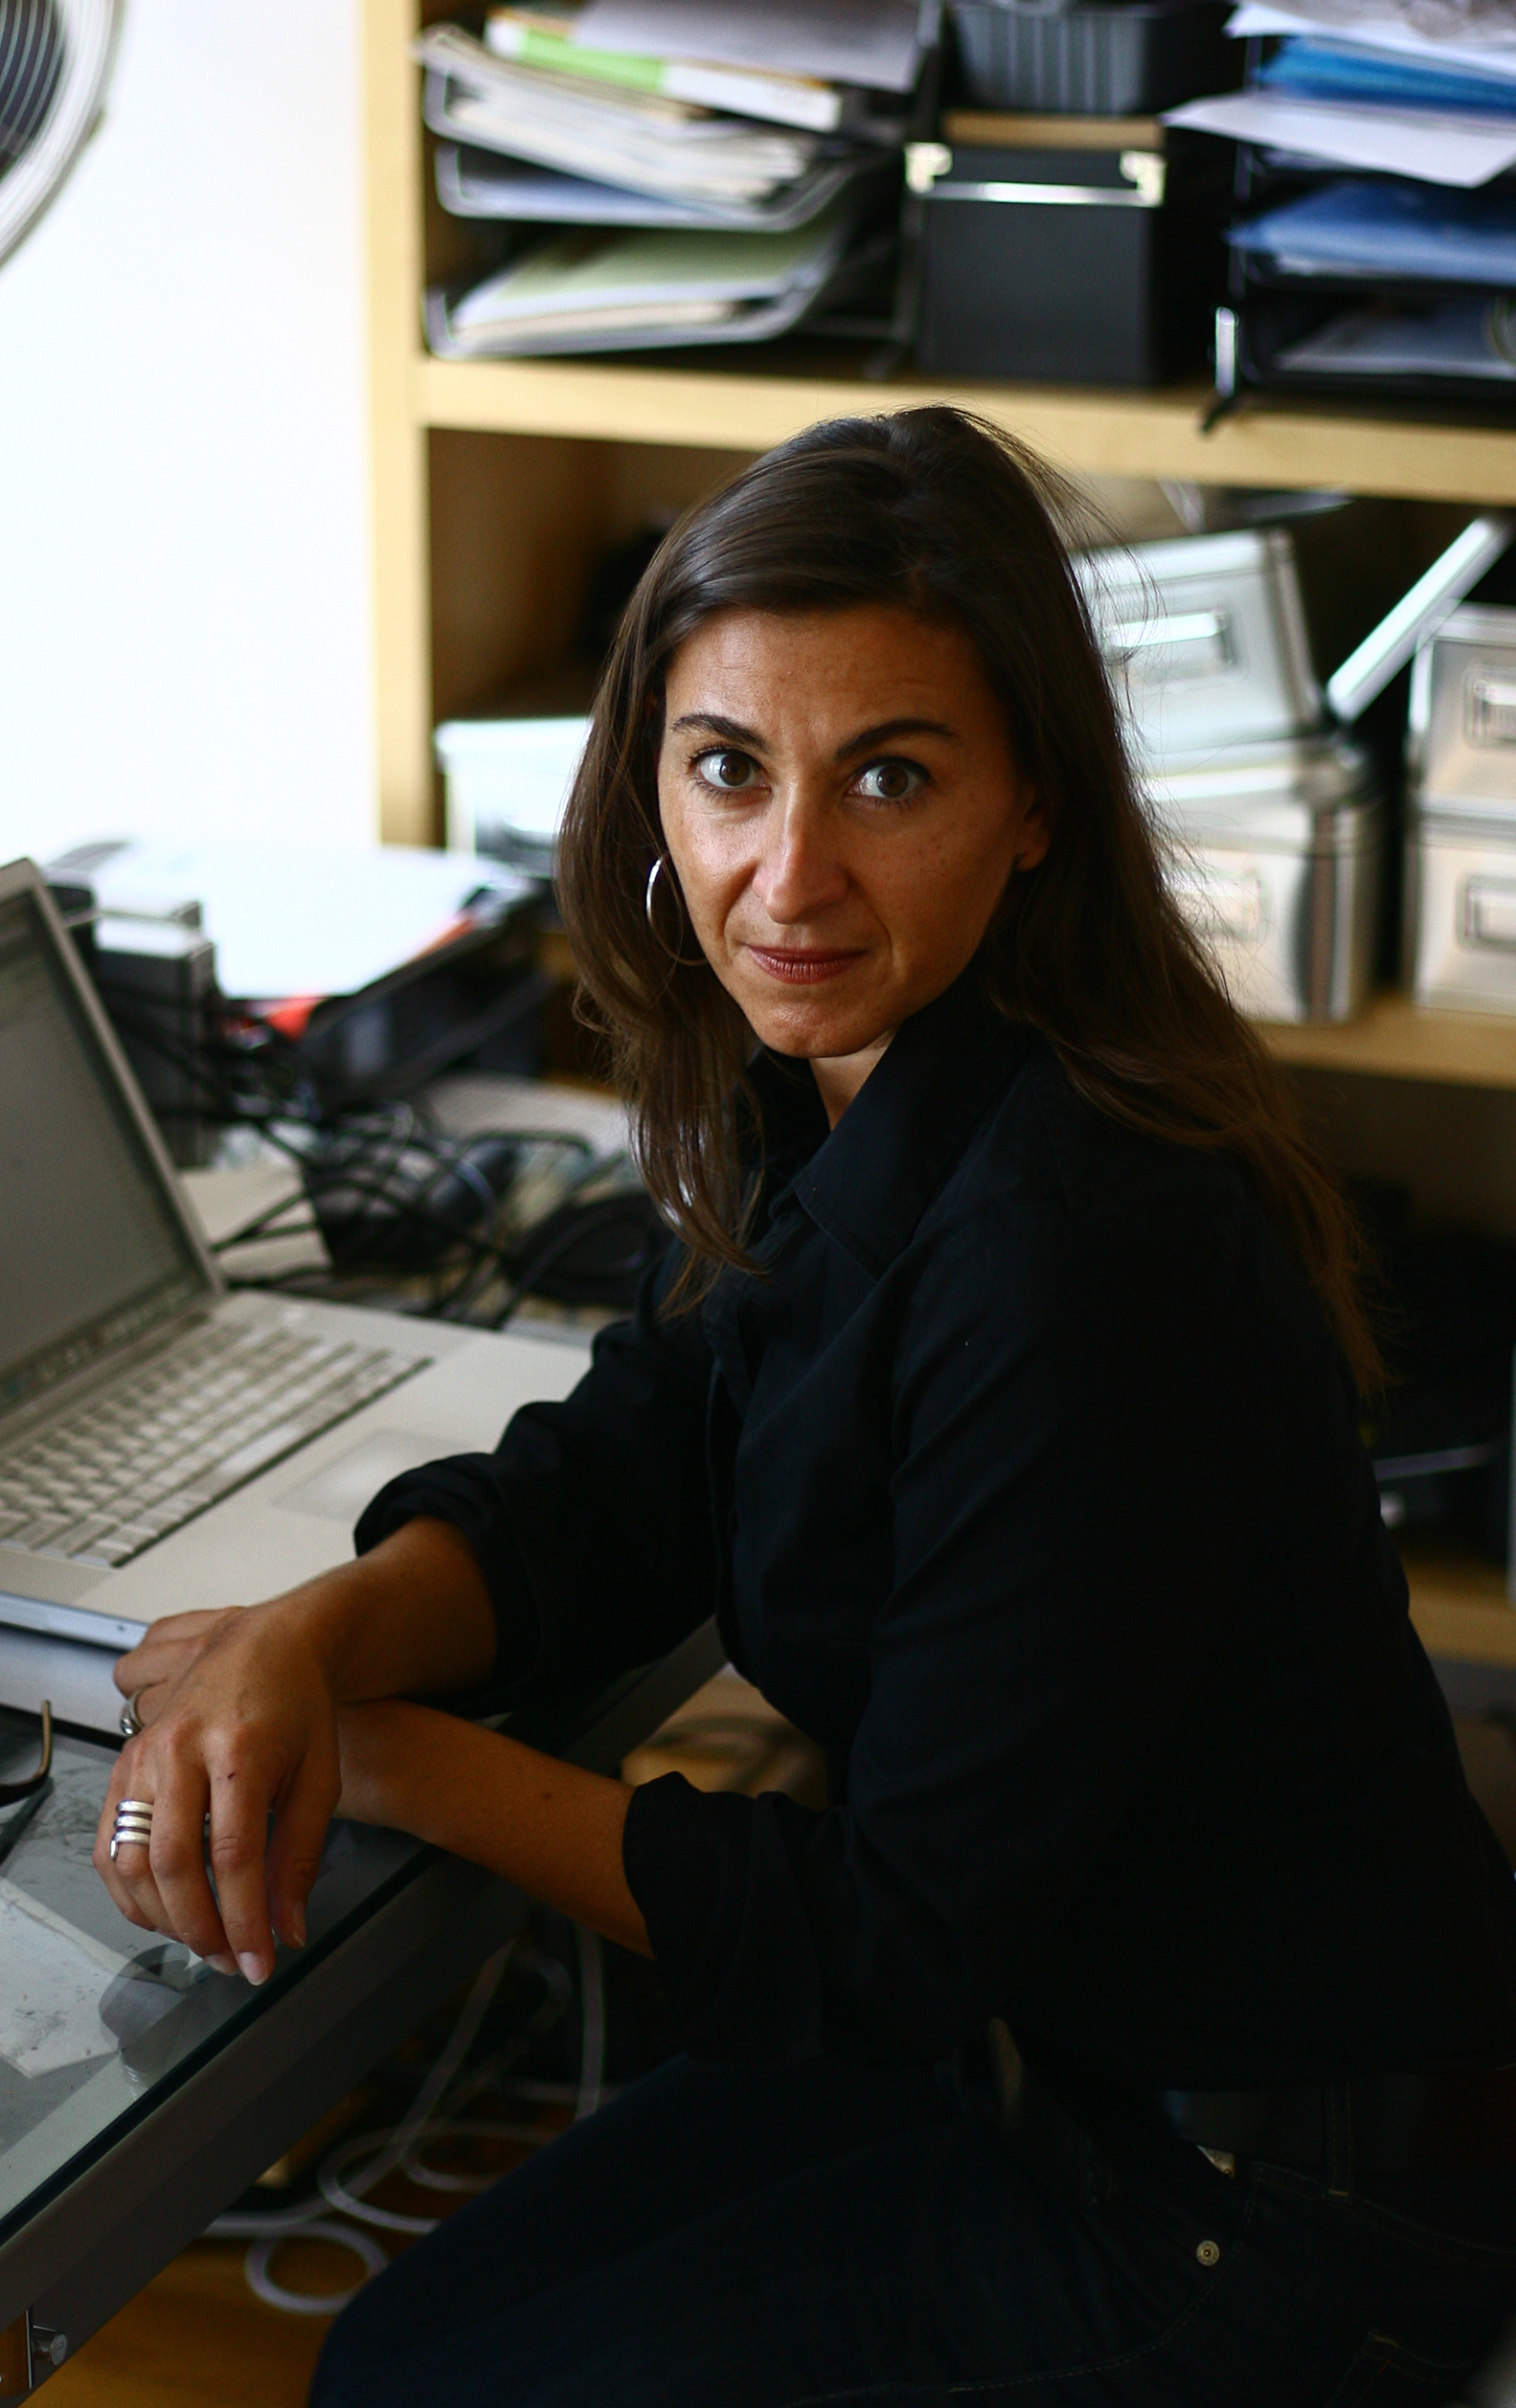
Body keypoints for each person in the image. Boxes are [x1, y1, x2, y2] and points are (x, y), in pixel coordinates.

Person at [94, 410, 1516, 2405]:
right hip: (1028, 2059)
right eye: (729, 770)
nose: (787, 876)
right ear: (653, 777)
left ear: (1035, 802)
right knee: (397, 2357)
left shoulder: (1078, 1247)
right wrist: (307, 1643)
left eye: (890, 778)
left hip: (1255, 2197)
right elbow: (628, 1466)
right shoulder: (848, 1072)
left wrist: (386, 1753)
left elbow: (887, 1942)